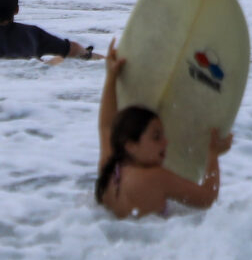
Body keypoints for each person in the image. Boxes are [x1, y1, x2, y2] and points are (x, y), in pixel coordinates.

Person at [95, 41, 231, 217]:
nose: (166, 142)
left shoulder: (110, 170)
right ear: (131, 145)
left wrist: (111, 77)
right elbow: (207, 198)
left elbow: (106, 126)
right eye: (156, 136)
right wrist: (213, 154)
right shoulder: (156, 177)